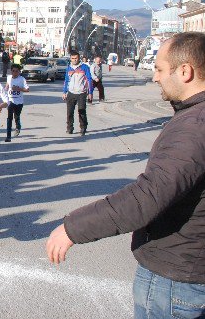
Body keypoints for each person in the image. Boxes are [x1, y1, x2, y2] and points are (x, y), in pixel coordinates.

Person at [46, 32, 205, 319]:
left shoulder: (192, 127)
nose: (155, 78)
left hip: (176, 280)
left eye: (158, 69)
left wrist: (73, 228)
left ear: (185, 71)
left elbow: (150, 195)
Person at [62, 50, 93, 136]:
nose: (74, 60)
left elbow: (89, 80)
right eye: (72, 58)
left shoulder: (84, 67)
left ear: (79, 58)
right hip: (71, 92)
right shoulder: (69, 68)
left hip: (81, 93)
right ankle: (70, 128)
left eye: (76, 58)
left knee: (81, 111)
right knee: (70, 112)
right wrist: (64, 92)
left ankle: (83, 127)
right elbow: (66, 81)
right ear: (70, 59)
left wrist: (90, 92)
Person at [4, 64, 29, 142]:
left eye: (16, 71)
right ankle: (8, 136)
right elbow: (7, 86)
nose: (14, 73)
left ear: (19, 72)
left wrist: (19, 89)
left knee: (17, 117)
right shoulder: (8, 78)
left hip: (19, 102)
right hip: (10, 101)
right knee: (9, 118)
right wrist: (5, 90)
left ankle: (18, 127)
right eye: (13, 71)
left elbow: (27, 89)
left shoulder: (22, 79)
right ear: (11, 71)